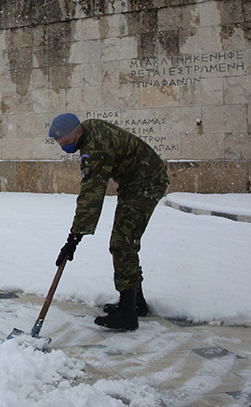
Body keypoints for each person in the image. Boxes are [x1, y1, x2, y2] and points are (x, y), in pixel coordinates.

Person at [49, 113, 168, 331]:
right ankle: (135, 302)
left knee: (123, 242)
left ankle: (127, 314)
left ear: (78, 131)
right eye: (60, 144)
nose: (64, 147)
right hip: (137, 181)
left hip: (146, 182)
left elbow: (92, 193)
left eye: (66, 143)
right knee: (126, 241)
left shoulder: (95, 147)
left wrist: (74, 237)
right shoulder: (89, 132)